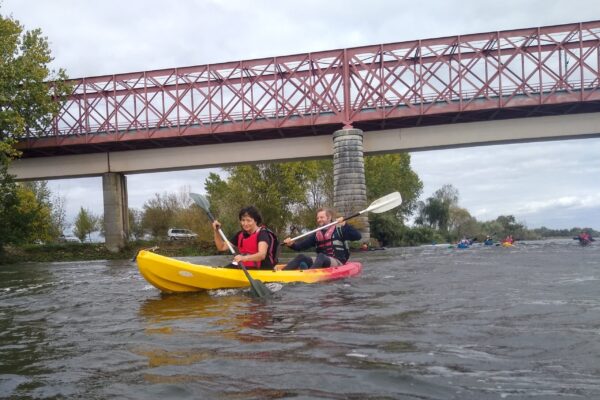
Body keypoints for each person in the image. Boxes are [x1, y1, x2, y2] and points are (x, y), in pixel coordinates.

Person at [282, 208, 362, 270]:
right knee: (301, 257)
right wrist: (291, 244)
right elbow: (300, 247)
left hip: (338, 262)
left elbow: (358, 236)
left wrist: (345, 225)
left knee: (321, 256)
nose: (319, 220)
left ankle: (309, 274)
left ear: (329, 217)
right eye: (318, 218)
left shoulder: (340, 229)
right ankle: (282, 274)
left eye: (321, 217)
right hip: (320, 261)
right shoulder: (317, 234)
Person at [212, 206, 278, 270]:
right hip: (245, 266)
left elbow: (262, 255)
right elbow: (221, 247)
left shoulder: (263, 233)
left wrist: (244, 258)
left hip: (262, 269)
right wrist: (216, 231)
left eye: (249, 220)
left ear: (256, 221)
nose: (245, 223)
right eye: (243, 220)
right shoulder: (240, 235)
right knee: (225, 269)